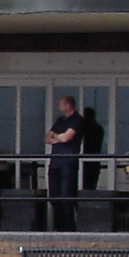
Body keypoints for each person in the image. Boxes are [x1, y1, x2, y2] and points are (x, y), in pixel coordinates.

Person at [45, 92, 84, 231]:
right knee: (54, 198)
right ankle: (57, 228)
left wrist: (58, 137)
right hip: (55, 163)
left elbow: (67, 138)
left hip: (68, 162)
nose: (58, 106)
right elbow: (47, 138)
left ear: (68, 105)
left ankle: (69, 229)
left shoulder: (77, 119)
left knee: (66, 198)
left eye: (60, 104)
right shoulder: (60, 120)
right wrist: (58, 137)